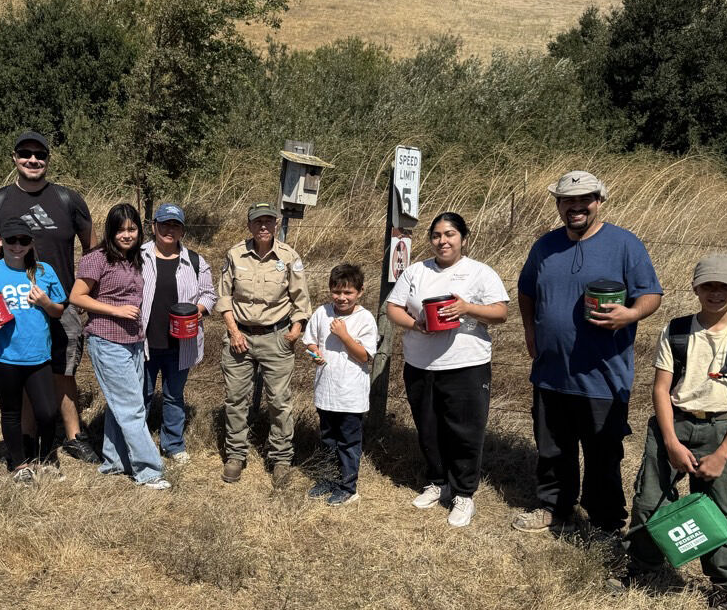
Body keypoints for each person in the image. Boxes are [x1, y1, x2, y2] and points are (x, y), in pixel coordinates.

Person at [610, 254, 727, 610]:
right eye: (708, 286)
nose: (715, 293)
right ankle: (643, 568)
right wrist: (669, 441)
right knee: (650, 499)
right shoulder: (678, 331)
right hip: (674, 425)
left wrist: (722, 453)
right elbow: (661, 388)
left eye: (724, 287)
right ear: (695, 288)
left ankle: (726, 588)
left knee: (726, 511)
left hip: (722, 432)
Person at [512, 171, 662, 537]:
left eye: (585, 200)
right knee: (552, 448)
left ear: (599, 201)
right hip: (551, 371)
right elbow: (526, 290)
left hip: (602, 374)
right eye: (567, 200)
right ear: (559, 205)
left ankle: (605, 521)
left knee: (603, 453)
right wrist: (530, 330)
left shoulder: (625, 244)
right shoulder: (544, 246)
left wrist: (630, 314)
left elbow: (651, 295)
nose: (576, 206)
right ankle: (554, 507)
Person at [0, 131, 98, 464]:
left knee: (64, 370)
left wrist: (82, 293)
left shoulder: (67, 199)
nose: (33, 160)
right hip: (14, 304)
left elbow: (92, 250)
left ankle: (73, 435)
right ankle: (27, 437)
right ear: (14, 157)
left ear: (47, 159)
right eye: (26, 153)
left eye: (39, 154)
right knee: (24, 366)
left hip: (60, 302)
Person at [386, 212, 509, 528]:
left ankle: (464, 493)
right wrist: (417, 324)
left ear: (463, 239)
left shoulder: (479, 273)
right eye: (437, 235)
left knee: (465, 431)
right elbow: (393, 308)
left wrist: (467, 308)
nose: (443, 241)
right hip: (421, 364)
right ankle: (438, 482)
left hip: (466, 365)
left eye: (450, 234)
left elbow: (500, 313)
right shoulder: (416, 271)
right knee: (428, 427)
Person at [68, 203, 171, 490]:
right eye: (121, 230)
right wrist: (115, 310)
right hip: (107, 339)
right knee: (132, 408)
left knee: (121, 406)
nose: (127, 235)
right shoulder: (97, 258)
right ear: (110, 231)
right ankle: (149, 471)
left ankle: (114, 461)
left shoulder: (135, 259)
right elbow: (77, 296)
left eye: (132, 229)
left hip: (134, 341)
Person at [214, 202, 311, 487]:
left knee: (279, 402)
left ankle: (280, 459)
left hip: (276, 337)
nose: (264, 226)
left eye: (269, 221)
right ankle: (235, 455)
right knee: (236, 399)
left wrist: (294, 331)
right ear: (250, 225)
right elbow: (225, 297)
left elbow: (301, 299)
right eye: (258, 222)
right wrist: (233, 331)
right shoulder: (235, 254)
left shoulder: (289, 257)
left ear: (277, 225)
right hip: (239, 337)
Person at [0, 217, 68, 482]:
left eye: (23, 241)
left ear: (31, 243)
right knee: (11, 411)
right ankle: (19, 465)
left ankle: (46, 459)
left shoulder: (44, 271)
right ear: (0, 241)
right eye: (11, 240)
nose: (17, 246)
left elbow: (58, 311)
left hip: (38, 356)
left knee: (47, 412)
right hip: (4, 356)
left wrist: (46, 302)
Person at [140, 203, 217, 464]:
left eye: (175, 225)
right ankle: (137, 442)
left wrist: (197, 310)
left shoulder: (195, 261)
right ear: (154, 227)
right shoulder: (138, 256)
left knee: (174, 396)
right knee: (142, 395)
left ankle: (173, 444)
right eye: (164, 224)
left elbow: (210, 295)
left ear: (182, 230)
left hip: (181, 343)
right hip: (145, 342)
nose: (169, 230)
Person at [302, 263, 378, 507]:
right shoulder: (322, 313)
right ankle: (327, 479)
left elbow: (364, 356)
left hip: (350, 395)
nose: (342, 298)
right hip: (326, 391)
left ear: (360, 292)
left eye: (348, 293)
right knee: (328, 439)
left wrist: (344, 336)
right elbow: (310, 343)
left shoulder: (364, 319)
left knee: (348, 442)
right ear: (330, 290)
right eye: (337, 292)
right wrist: (317, 356)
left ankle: (347, 486)